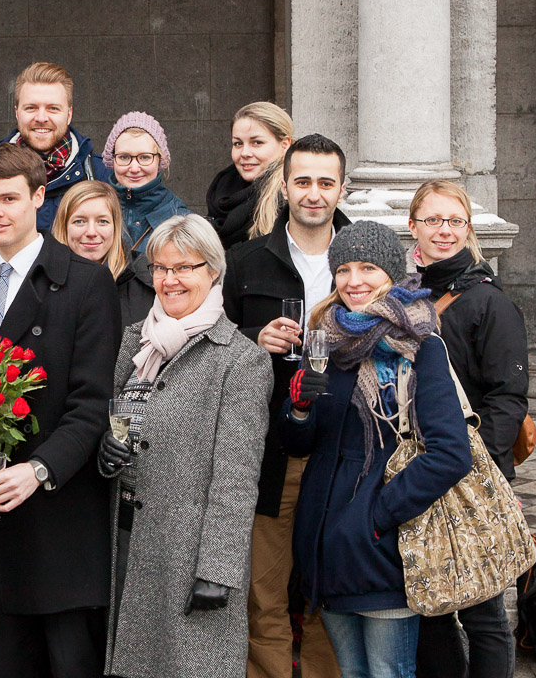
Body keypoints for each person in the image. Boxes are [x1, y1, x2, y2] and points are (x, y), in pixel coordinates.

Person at [0, 144, 121, 678]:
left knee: (71, 663)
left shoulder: (86, 281)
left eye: (8, 198)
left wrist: (39, 469)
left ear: (39, 198)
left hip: (62, 515)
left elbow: (93, 404)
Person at [280, 220, 472, 677]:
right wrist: (301, 407)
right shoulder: (326, 338)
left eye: (367, 267)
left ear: (390, 272)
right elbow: (303, 445)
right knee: (351, 672)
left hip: (383, 550)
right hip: (326, 547)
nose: (354, 281)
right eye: (343, 269)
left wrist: (377, 516)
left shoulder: (418, 345)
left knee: (389, 672)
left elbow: (451, 454)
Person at [97, 213, 271, 678]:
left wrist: (218, 569)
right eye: (160, 268)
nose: (169, 280)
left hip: (189, 554)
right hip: (126, 541)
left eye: (184, 268)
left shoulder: (240, 359)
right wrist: (106, 455)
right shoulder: (135, 341)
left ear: (212, 271)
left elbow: (236, 477)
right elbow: (116, 421)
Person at [221, 134, 349, 678]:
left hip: (344, 454)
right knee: (264, 593)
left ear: (343, 187)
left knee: (331, 591)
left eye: (326, 182)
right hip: (269, 453)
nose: (314, 193)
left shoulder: (365, 260)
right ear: (284, 185)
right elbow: (213, 342)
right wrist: (254, 337)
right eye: (303, 181)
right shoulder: (245, 260)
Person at [409, 179, 529, 678]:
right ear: (412, 225)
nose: (444, 230)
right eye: (433, 219)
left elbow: (507, 400)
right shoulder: (405, 295)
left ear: (469, 229)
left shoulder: (490, 303)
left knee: (482, 609)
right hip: (419, 472)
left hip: (474, 475)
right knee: (430, 606)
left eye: (454, 220)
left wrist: (483, 470)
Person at [0, 62, 112, 231]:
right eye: (31, 108)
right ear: (16, 112)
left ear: (69, 114)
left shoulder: (100, 173)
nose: (41, 117)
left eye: (53, 108)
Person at [50, 180, 155, 326]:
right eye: (79, 221)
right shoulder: (41, 281)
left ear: (115, 226)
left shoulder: (148, 278)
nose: (91, 232)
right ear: (64, 226)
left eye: (102, 221)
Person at [206, 102, 292, 250]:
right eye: (238, 143)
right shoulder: (222, 187)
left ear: (284, 145)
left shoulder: (291, 197)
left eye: (257, 142)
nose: (245, 153)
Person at [101, 111, 189, 253]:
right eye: (124, 157)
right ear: (112, 160)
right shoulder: (95, 210)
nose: (134, 168)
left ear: (160, 159)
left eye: (145, 157)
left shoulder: (181, 218)